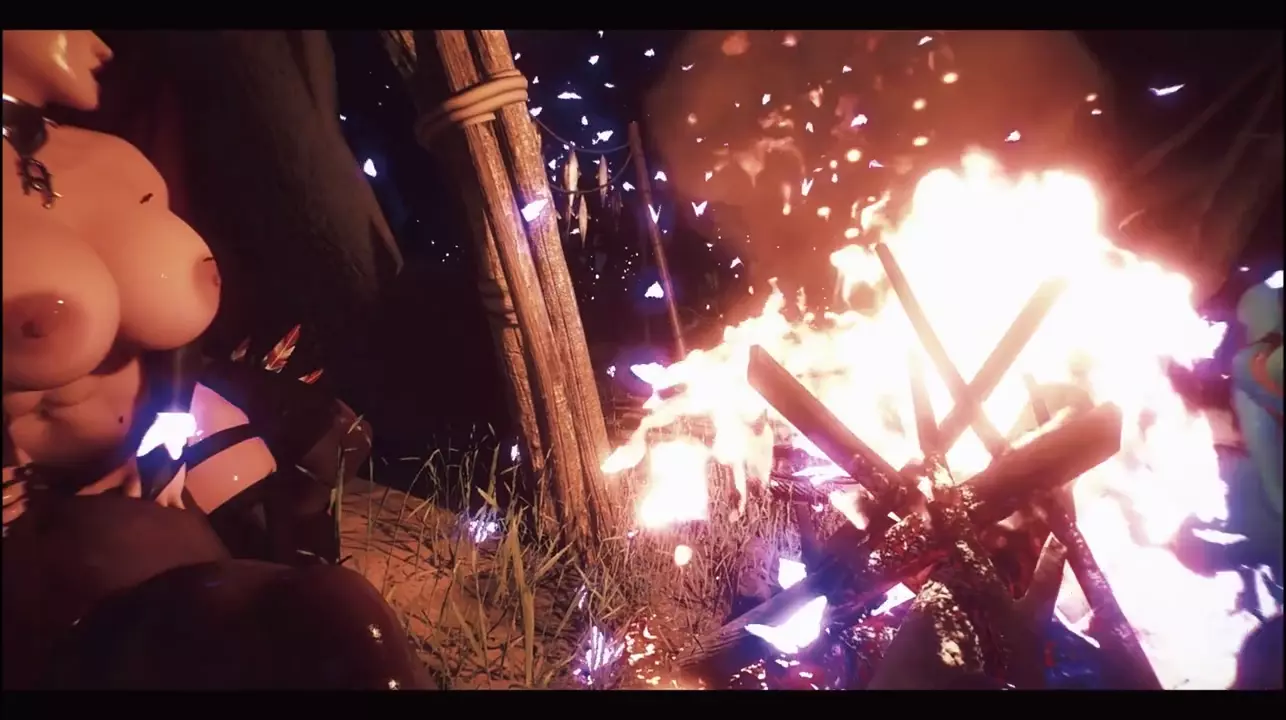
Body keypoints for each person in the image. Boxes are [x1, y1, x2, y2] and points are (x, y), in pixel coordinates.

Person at [2, 29, 431, 690]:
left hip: (164, 441)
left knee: (297, 546)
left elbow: (175, 332)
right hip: (30, 499)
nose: (99, 40)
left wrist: (168, 432)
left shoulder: (114, 163)